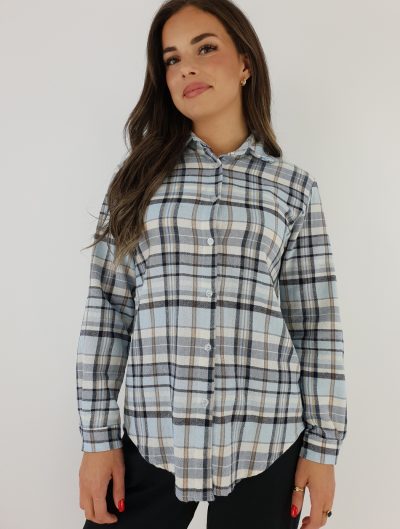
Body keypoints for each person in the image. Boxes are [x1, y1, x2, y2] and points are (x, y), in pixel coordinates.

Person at [75, 1, 348, 528]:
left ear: (245, 63)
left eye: (205, 48)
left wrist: (322, 449)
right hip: (153, 440)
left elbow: (315, 325)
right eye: (172, 59)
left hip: (266, 443)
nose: (187, 68)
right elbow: (107, 315)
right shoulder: (135, 182)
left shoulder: (294, 188)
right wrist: (97, 441)